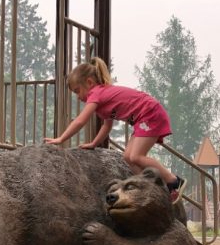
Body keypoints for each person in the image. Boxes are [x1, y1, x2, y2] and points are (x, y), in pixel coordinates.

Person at [43, 57, 187, 203]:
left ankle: (174, 181)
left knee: (136, 156)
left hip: (150, 113)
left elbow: (81, 120)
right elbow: (107, 126)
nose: (78, 97)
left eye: (77, 91)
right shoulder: (101, 101)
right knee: (128, 157)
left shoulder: (97, 93)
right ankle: (149, 187)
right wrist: (94, 143)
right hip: (141, 119)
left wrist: (61, 139)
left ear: (89, 83)